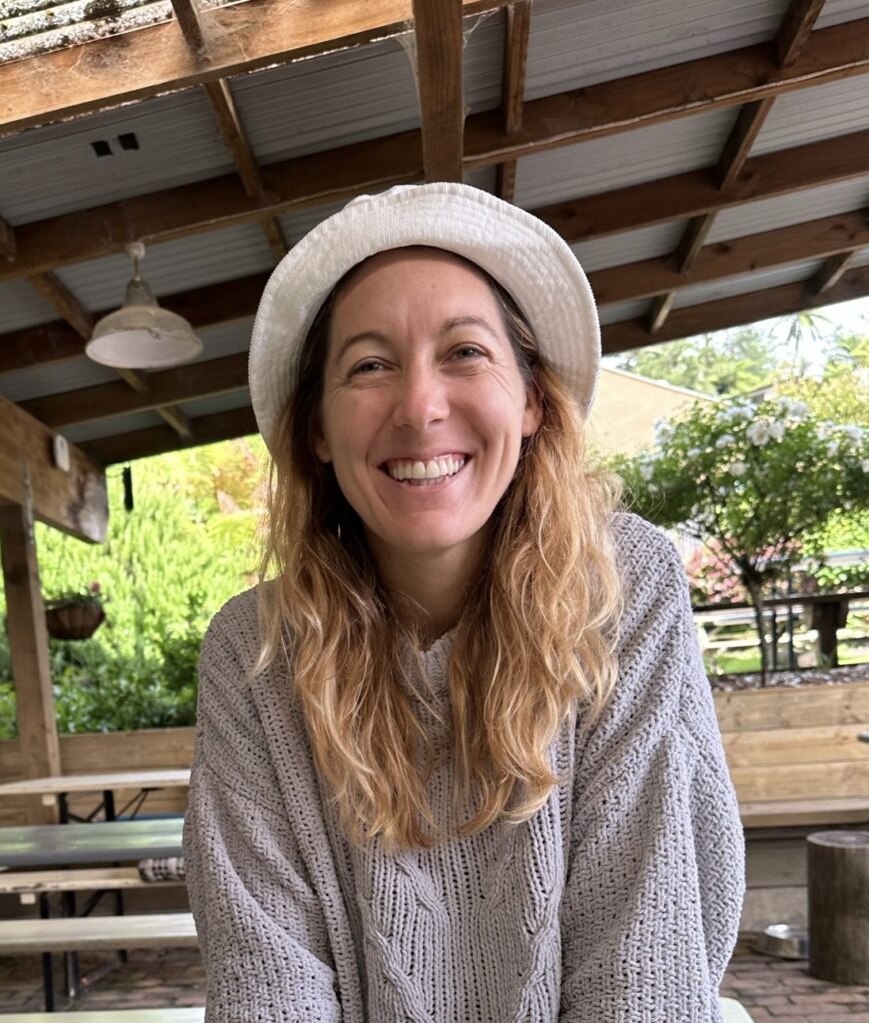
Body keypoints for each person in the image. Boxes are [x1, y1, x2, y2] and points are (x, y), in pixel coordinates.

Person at [183, 182, 745, 1022]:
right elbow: (267, 986)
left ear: (528, 401)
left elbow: (644, 966)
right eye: (369, 365)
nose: (418, 406)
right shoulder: (254, 650)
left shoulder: (624, 588)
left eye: (465, 352)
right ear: (316, 431)